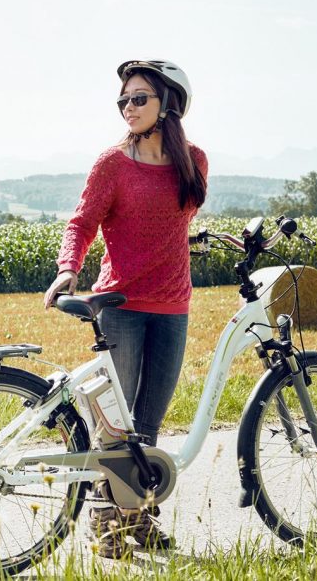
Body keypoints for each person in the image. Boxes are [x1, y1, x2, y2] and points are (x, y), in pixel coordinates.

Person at [42, 59, 208, 559]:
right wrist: (68, 268)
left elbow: (178, 220)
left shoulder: (193, 161)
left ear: (168, 104)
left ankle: (137, 515)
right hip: (121, 304)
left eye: (139, 98)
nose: (128, 108)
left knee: (148, 425)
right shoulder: (112, 163)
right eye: (123, 100)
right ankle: (104, 520)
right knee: (116, 424)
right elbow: (82, 222)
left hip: (173, 305)